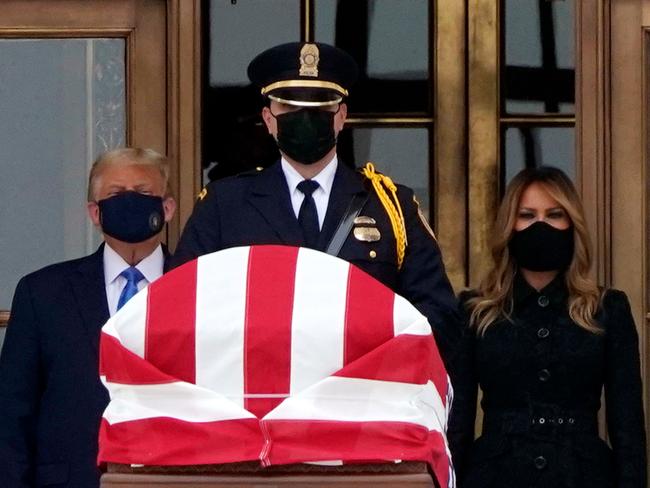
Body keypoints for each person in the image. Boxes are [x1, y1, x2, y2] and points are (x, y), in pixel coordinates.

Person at [171, 41, 460, 361]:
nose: (306, 118)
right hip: (261, 397)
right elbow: (181, 311)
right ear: (268, 119)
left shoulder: (392, 207)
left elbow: (439, 317)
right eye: (291, 108)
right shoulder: (223, 206)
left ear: (341, 117)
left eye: (320, 108)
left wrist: (372, 339)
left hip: (361, 397)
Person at [448, 166, 646, 487]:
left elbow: (628, 428)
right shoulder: (476, 309)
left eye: (554, 214)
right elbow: (457, 422)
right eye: (527, 215)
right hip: (496, 475)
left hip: (583, 474)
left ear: (572, 224)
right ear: (509, 226)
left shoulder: (607, 308)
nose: (541, 225)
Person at [0, 148, 176, 487]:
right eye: (115, 194)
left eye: (142, 193)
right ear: (94, 212)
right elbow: (12, 414)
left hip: (175, 477)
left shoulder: (202, 287)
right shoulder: (43, 294)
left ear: (167, 208)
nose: (129, 202)